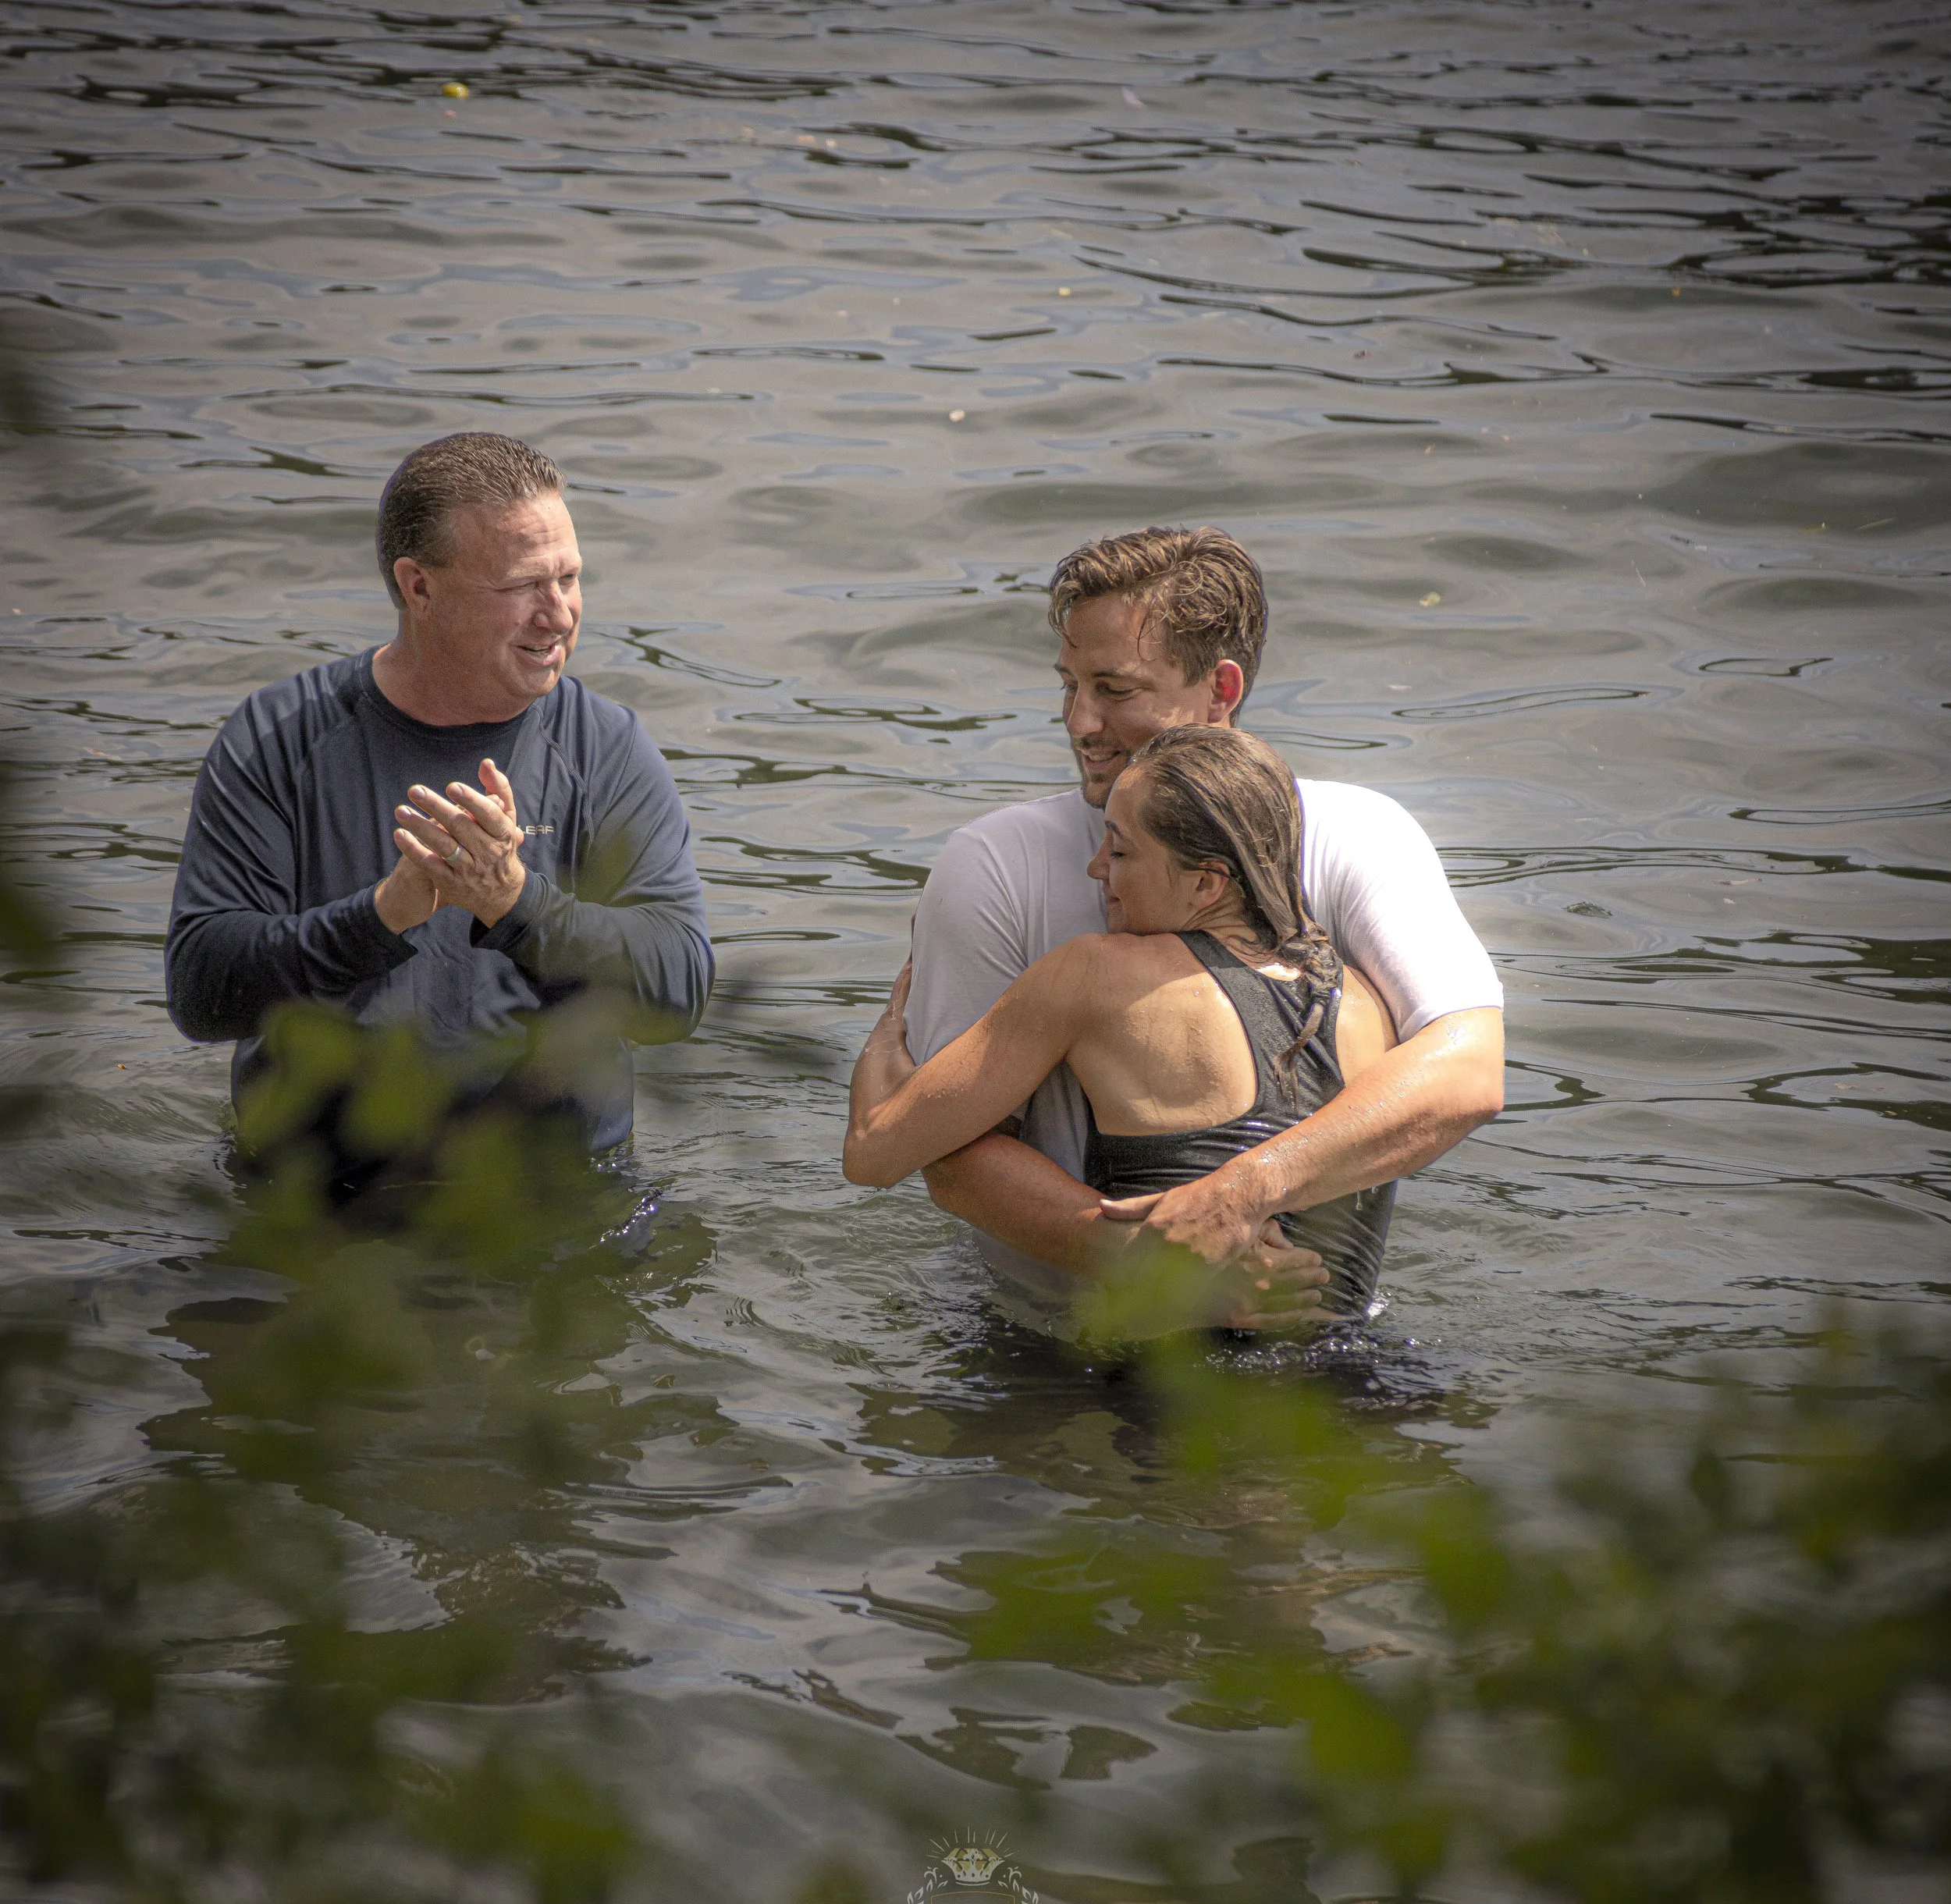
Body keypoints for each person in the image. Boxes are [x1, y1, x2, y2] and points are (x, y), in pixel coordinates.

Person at [897, 525, 1504, 1330]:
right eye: (1067, 686)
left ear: (1221, 690)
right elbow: (950, 1156)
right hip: (1045, 1343)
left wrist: (1235, 1198)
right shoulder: (993, 867)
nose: (1080, 722)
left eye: (1114, 691)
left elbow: (1467, 1074)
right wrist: (1144, 1257)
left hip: (1324, 1344)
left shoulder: (1359, 837)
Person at [165, 432, 713, 1178]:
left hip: (553, 1200)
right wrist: (378, 917)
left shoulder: (606, 749)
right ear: (419, 587)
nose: (559, 615)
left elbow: (679, 990)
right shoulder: (277, 739)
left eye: (570, 578)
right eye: (524, 586)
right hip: (318, 1201)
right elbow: (200, 990)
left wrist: (517, 904)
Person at [848, 726, 1400, 1323]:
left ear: (1205, 883)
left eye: (1118, 850)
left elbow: (874, 1153)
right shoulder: (1365, 1005)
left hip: (1159, 1395)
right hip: (1358, 1383)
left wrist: (884, 1045)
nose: (1094, 869)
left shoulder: (1094, 973)